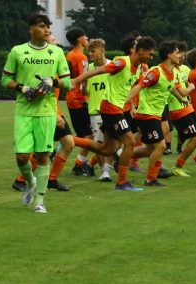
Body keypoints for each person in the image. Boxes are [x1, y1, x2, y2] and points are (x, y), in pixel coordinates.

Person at [2, 13, 71, 213]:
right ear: (31, 28)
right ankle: (31, 183)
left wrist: (53, 82)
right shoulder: (18, 51)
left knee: (42, 155)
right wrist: (22, 88)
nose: (47, 30)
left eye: (48, 26)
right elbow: (5, 80)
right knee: (22, 157)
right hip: (24, 111)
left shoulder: (57, 52)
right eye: (42, 26)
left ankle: (40, 201)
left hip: (46, 111)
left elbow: (69, 81)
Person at [71, 36, 157, 191]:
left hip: (118, 109)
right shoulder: (123, 62)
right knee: (130, 141)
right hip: (111, 108)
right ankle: (122, 182)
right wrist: (75, 81)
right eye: (150, 54)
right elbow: (99, 70)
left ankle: (70, 140)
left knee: (107, 149)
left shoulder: (138, 68)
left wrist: (130, 104)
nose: (151, 58)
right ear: (141, 51)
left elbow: (128, 89)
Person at [65, 27, 95, 176]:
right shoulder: (81, 57)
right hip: (79, 98)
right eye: (85, 36)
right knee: (89, 136)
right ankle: (78, 164)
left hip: (71, 97)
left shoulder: (69, 55)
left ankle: (78, 162)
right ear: (79, 39)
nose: (87, 38)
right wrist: (87, 94)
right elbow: (84, 78)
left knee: (85, 135)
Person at [83, 38, 113, 181]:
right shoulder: (88, 68)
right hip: (95, 111)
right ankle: (104, 171)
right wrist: (83, 84)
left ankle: (108, 168)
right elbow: (85, 92)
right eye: (89, 51)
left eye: (93, 51)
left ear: (102, 50)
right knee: (100, 144)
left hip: (112, 109)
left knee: (113, 141)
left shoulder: (113, 65)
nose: (90, 54)